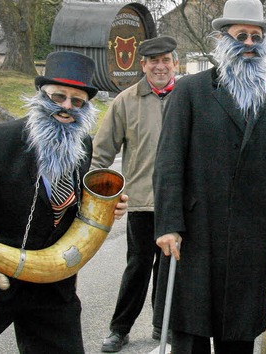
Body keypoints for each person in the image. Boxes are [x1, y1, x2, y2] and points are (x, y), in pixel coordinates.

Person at [152, 0, 266, 353]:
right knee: (191, 332)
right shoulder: (191, 90)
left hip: (250, 235)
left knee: (237, 332)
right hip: (196, 231)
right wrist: (168, 223)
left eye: (256, 36)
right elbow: (169, 162)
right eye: (241, 36)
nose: (249, 43)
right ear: (223, 39)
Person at [0, 51, 128, 353]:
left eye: (77, 100)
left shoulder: (82, 142)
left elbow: (64, 202)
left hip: (53, 287)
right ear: (40, 95)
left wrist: (103, 208)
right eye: (58, 96)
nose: (67, 107)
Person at [92, 36, 179, 352]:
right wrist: (101, 195)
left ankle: (163, 326)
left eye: (165, 60)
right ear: (143, 65)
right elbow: (101, 154)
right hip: (141, 203)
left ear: (174, 64)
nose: (160, 66)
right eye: (153, 61)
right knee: (138, 267)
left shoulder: (186, 98)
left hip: (178, 204)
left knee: (170, 270)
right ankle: (120, 328)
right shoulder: (125, 101)